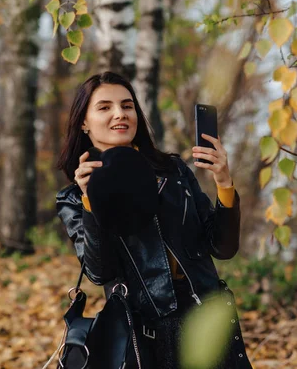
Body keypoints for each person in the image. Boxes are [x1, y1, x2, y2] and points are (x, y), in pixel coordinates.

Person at [55, 71, 251, 368]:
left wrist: (224, 183)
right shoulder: (73, 198)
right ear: (84, 122)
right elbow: (100, 271)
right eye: (105, 107)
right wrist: (90, 200)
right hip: (146, 331)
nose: (120, 114)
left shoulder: (173, 171)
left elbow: (222, 247)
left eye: (127, 105)